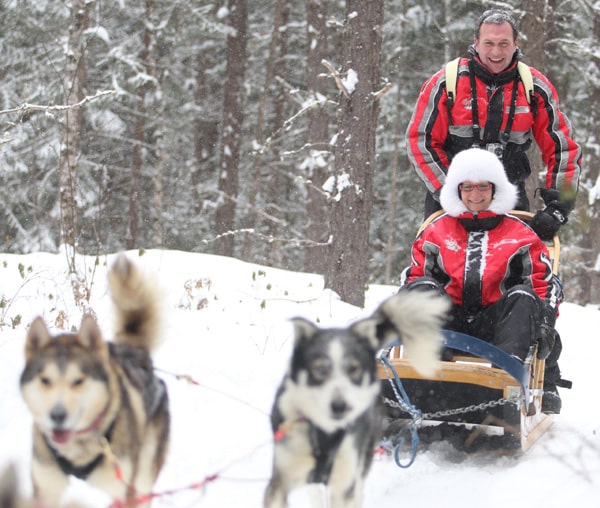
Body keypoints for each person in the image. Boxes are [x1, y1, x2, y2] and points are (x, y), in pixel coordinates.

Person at [400, 148, 565, 413]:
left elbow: (542, 287)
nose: (475, 195)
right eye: (467, 188)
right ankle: (426, 376)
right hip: (447, 327)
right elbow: (417, 277)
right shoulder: (436, 231)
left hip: (499, 329)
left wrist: (545, 323)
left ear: (495, 189)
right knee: (422, 290)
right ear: (457, 190)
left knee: (524, 297)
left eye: (482, 187)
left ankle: (506, 380)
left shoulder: (521, 235)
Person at [406, 8, 581, 241]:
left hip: (510, 195)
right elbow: (420, 141)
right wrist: (450, 190)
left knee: (514, 270)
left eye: (504, 43)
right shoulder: (446, 83)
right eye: (489, 43)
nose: (496, 52)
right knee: (442, 269)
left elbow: (563, 149)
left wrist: (559, 206)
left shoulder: (534, 87)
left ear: (516, 43)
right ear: (476, 42)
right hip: (449, 197)